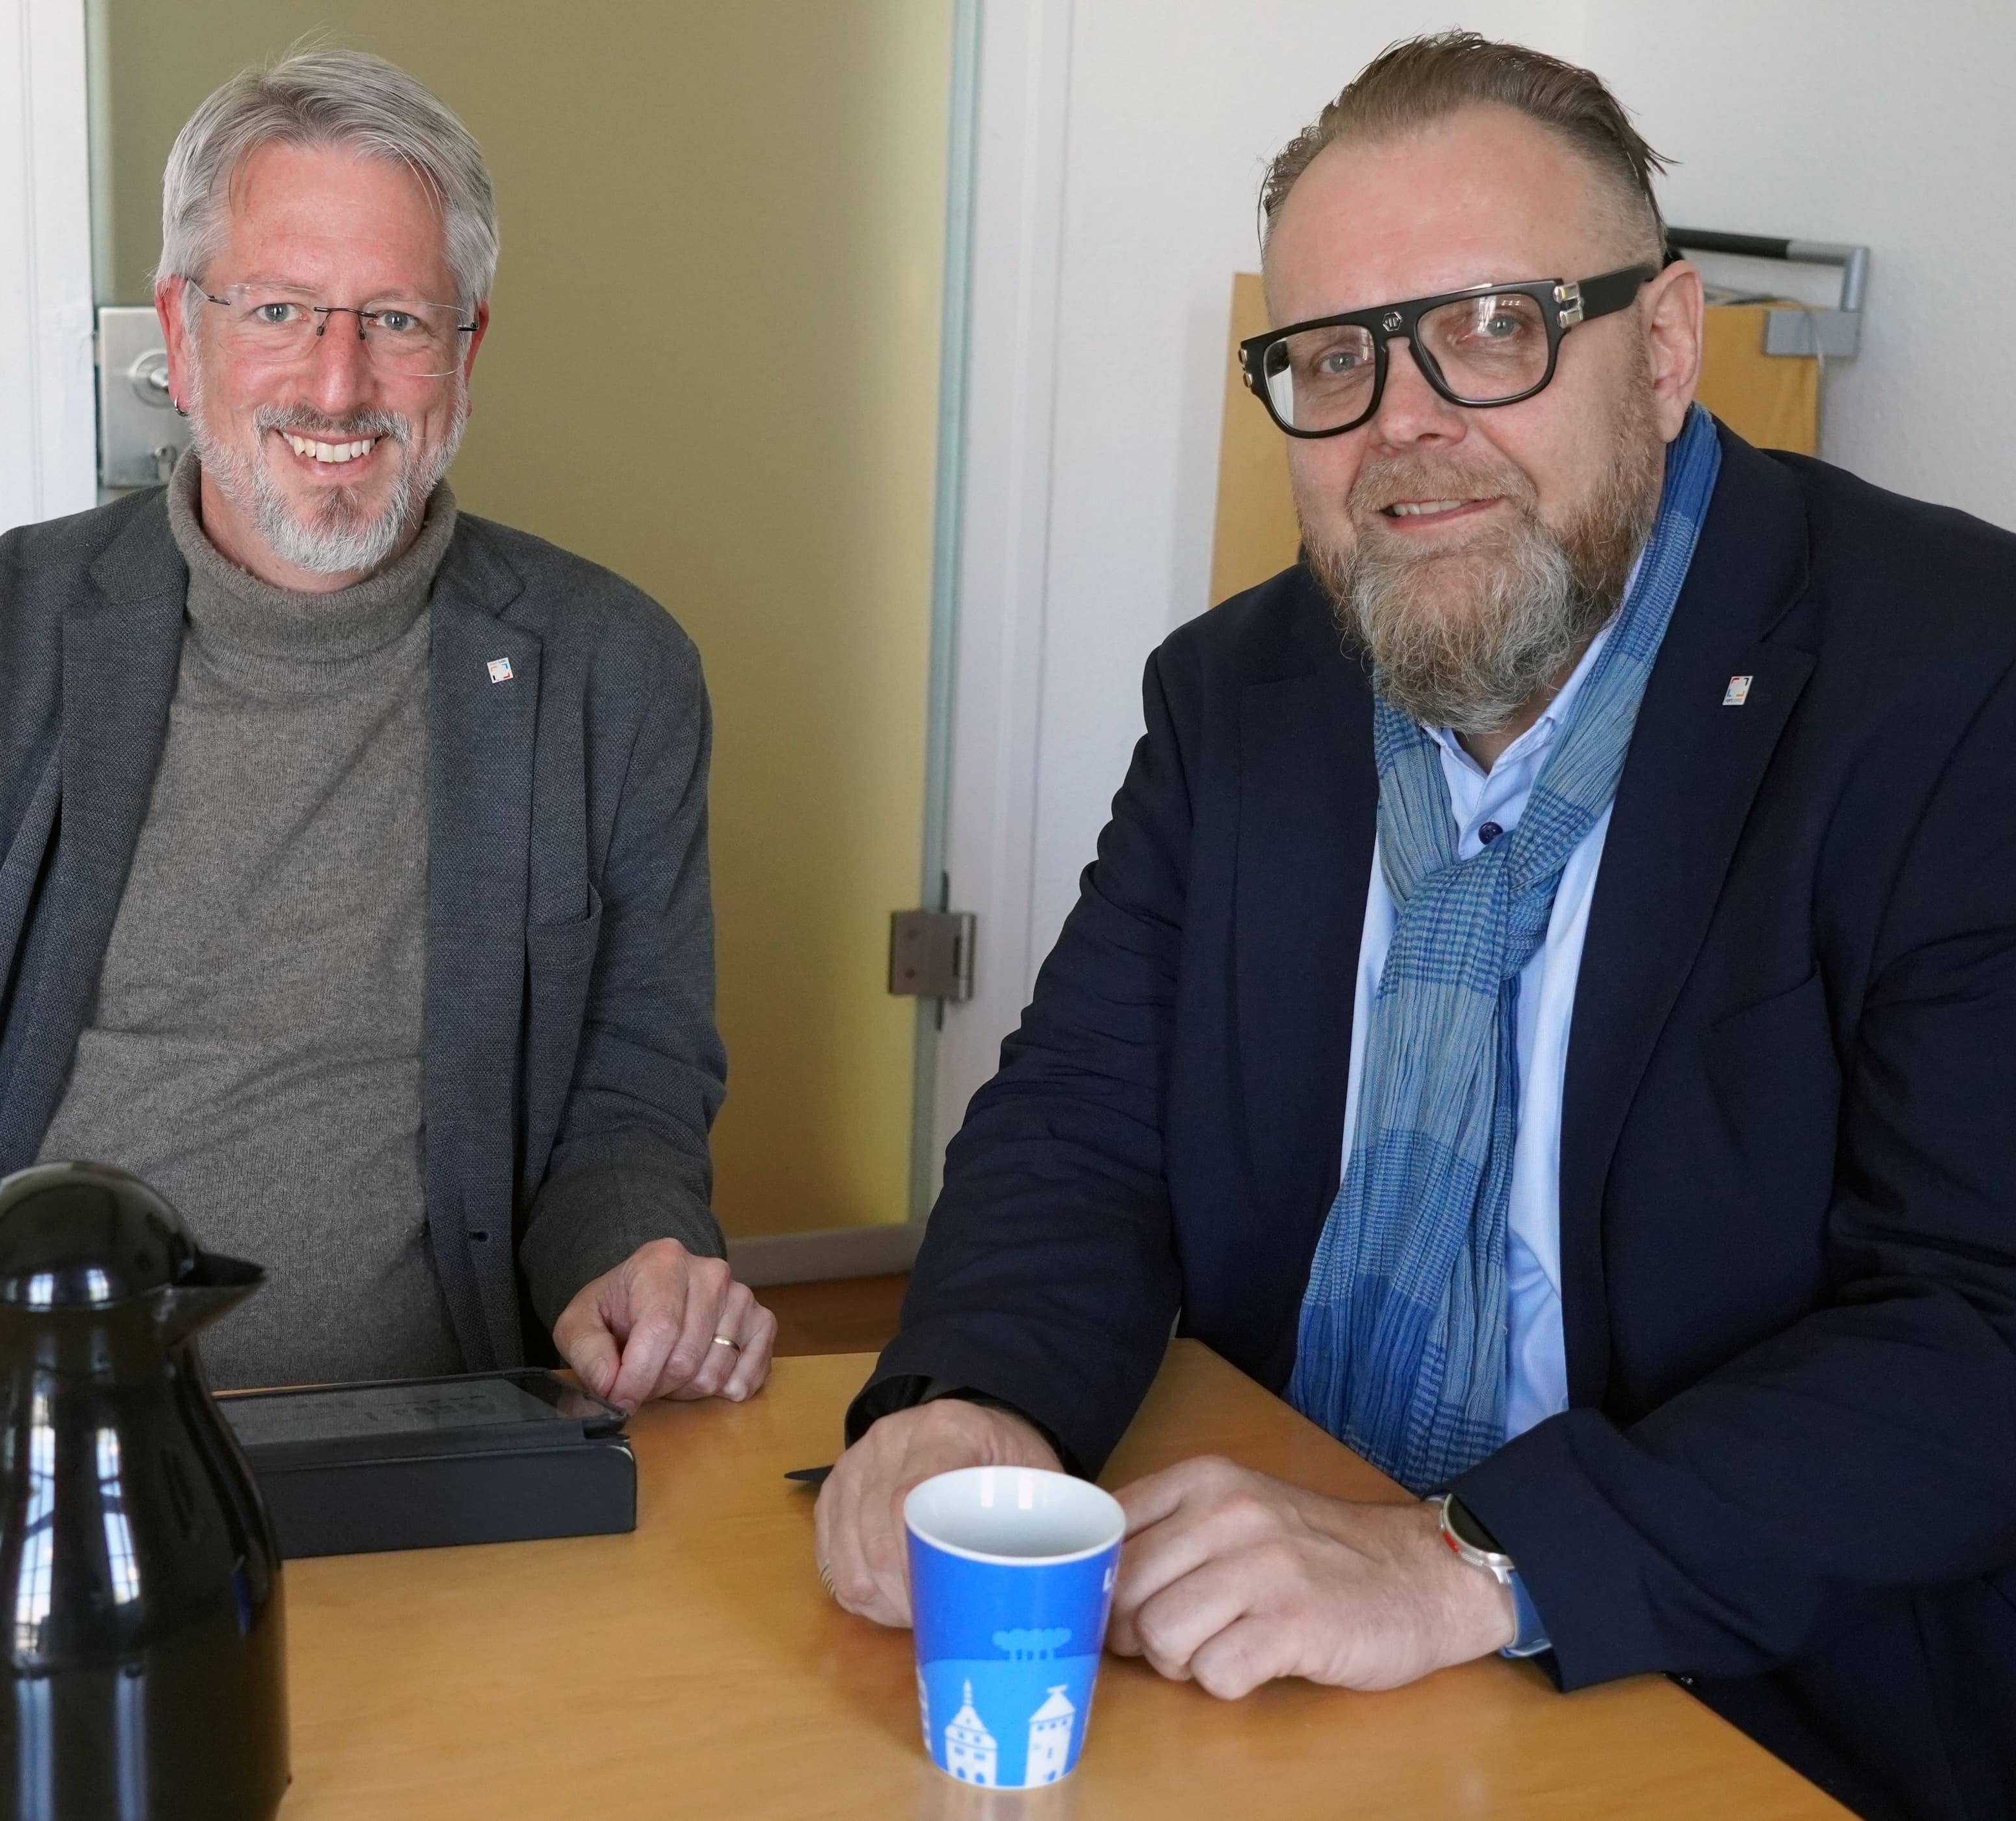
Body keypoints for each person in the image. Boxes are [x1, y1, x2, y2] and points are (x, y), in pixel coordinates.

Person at [815, 33, 2015, 1821]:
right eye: (1332, 357)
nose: (1403, 427)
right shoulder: (1243, 696)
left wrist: (1466, 1563)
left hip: (1754, 1698)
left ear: (1666, 348)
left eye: (1494, 328)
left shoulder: (1954, 675)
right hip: (1270, 1661)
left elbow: (1981, 1327)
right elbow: (1082, 1126)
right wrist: (971, 1404)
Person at [0, 48, 776, 1526]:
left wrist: (634, 1254)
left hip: (439, 1456)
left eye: (396, 319)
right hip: (4, 1460)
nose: (339, 382)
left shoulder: (614, 671)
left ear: (466, 350)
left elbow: (630, 1095)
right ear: (183, 334)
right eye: (278, 310)